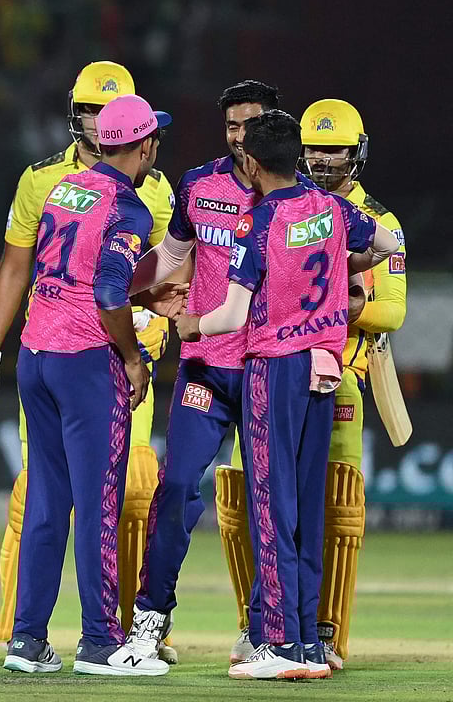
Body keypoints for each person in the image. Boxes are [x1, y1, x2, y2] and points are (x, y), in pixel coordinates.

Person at [0, 62, 179, 653]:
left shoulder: (59, 188)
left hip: (39, 352)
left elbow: (137, 271)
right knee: (100, 501)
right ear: (143, 141)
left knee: (51, 502)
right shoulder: (125, 198)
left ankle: (28, 641)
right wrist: (133, 351)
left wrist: (153, 310)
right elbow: (108, 289)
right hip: (89, 355)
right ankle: (103, 641)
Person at [177, 110, 398, 680]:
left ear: (250, 163)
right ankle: (305, 644)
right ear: (296, 157)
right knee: (305, 507)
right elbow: (390, 239)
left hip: (272, 371)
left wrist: (187, 325)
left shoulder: (259, 224)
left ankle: (277, 644)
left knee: (271, 509)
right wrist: (351, 269)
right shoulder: (334, 210)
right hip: (322, 371)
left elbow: (229, 314)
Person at [242, 98, 405, 670]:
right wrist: (337, 293)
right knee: (266, 503)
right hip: (317, 362)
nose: (325, 158)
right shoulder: (328, 211)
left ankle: (307, 634)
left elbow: (392, 312)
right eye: (315, 147)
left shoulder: (364, 214)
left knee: (322, 509)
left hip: (329, 372)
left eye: (335, 147)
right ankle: (276, 626)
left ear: (356, 150)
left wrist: (341, 300)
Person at [122, 80, 279, 662]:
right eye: (232, 126)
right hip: (205, 369)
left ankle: (264, 628)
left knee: (270, 500)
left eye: (252, 125)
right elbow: (170, 258)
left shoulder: (298, 195)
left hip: (271, 368)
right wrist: (117, 290)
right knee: (176, 488)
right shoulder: (199, 184)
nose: (241, 138)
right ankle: (150, 622)